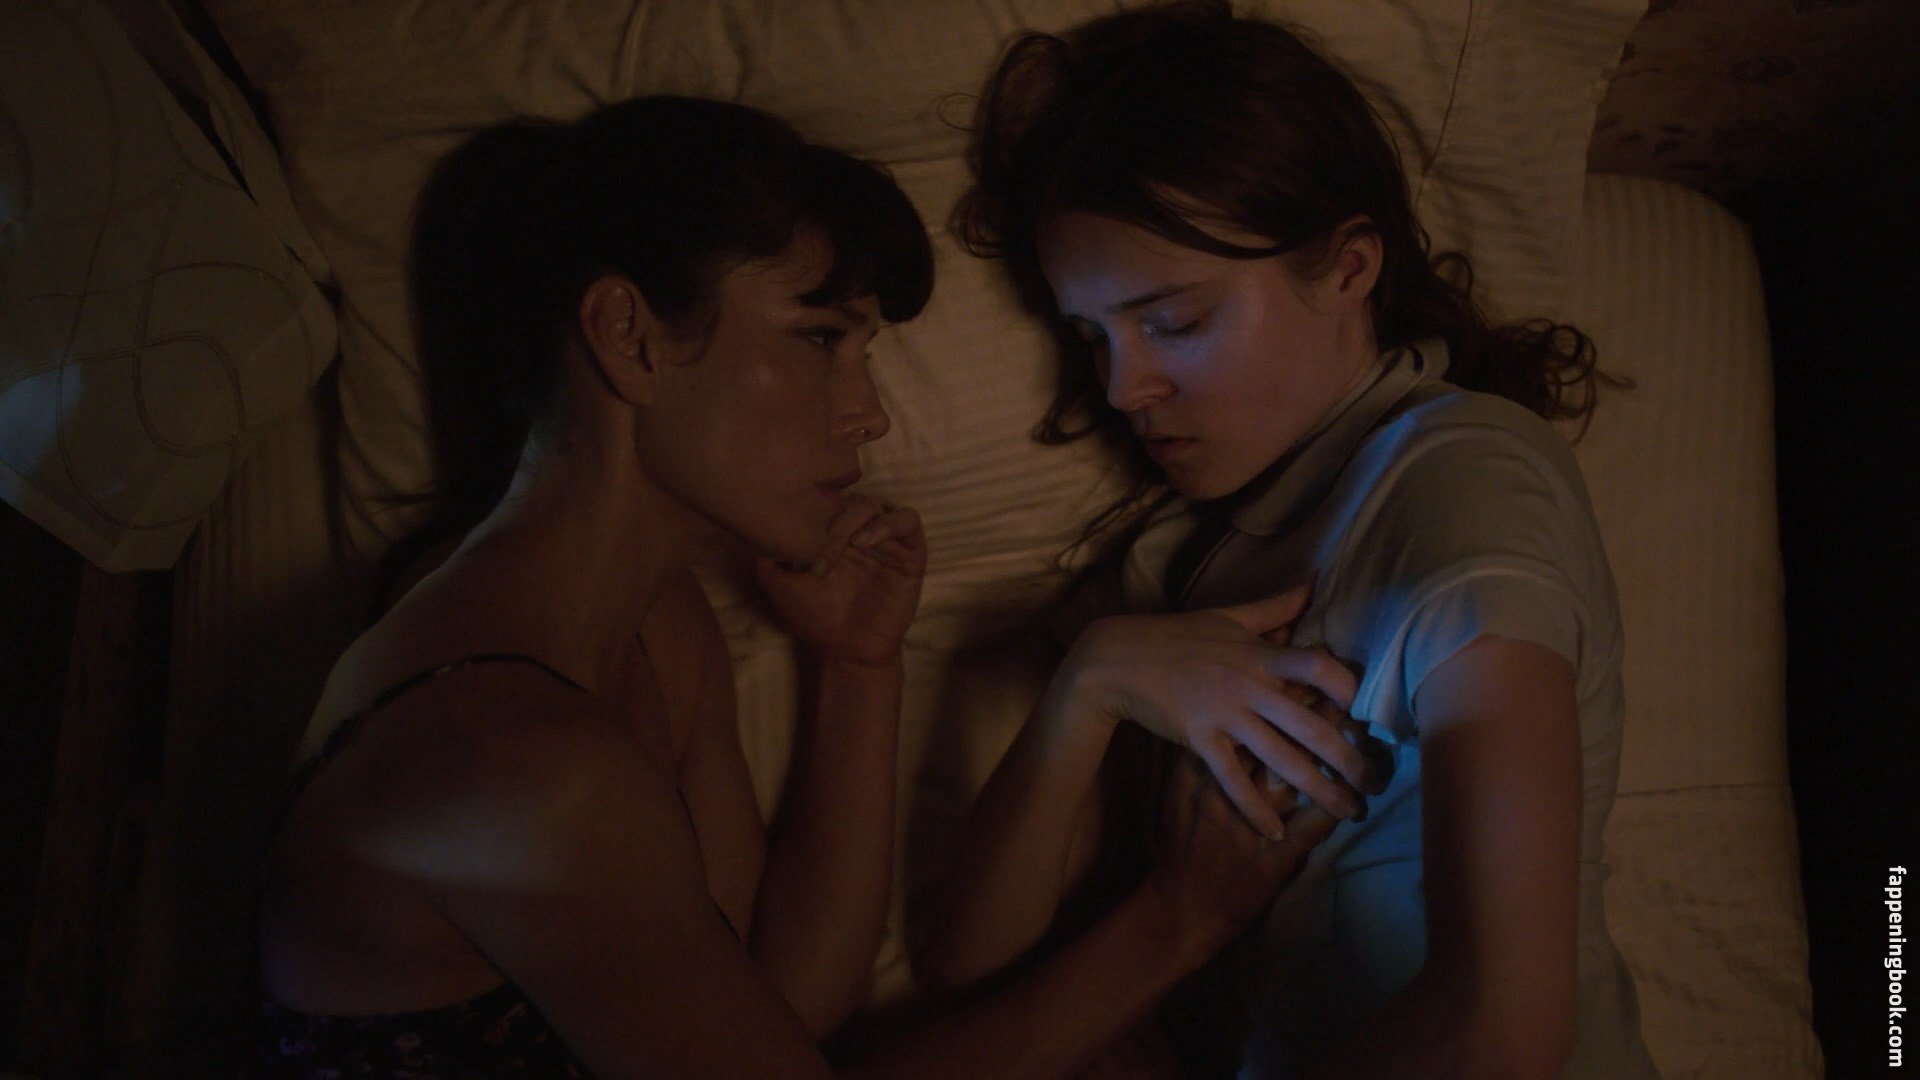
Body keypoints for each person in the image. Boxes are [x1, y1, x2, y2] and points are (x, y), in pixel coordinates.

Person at [254, 94, 1365, 1077]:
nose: (867, 413)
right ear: (628, 337)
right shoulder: (524, 770)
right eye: (820, 337)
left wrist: (857, 665)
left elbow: (787, 1000)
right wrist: (1178, 921)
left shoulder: (650, 625)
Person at [926, 2, 1660, 1076]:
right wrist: (1091, 684)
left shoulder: (1462, 480)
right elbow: (971, 966)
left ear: (1349, 268)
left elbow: (1503, 1033)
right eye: (1092, 337)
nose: (1125, 387)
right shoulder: (1181, 562)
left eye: (1173, 322)